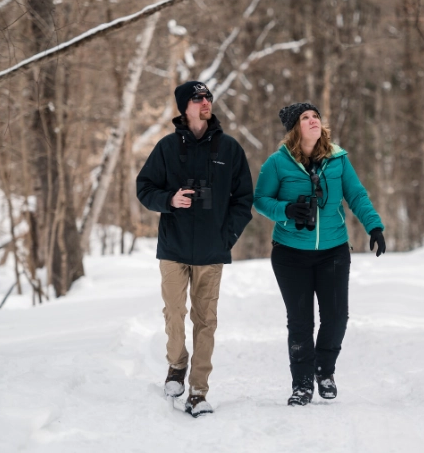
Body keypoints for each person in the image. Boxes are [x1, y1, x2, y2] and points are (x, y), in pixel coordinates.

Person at [253, 102, 386, 406]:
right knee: (300, 322)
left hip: (333, 252)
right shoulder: (277, 163)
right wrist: (285, 210)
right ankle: (301, 384)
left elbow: (356, 195)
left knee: (337, 317)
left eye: (315, 116)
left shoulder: (337, 160)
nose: (313, 120)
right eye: (305, 118)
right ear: (295, 128)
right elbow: (260, 200)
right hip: (290, 254)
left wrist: (374, 227)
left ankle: (324, 371)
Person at [136, 81, 253, 418]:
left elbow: (244, 199)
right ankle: (176, 366)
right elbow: (144, 188)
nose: (205, 102)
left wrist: (227, 236)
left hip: (211, 250)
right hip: (173, 246)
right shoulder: (167, 148)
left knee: (206, 321)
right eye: (198, 98)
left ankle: (198, 391)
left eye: (208, 97)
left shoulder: (229, 149)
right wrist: (169, 200)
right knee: (174, 313)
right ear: (184, 106)